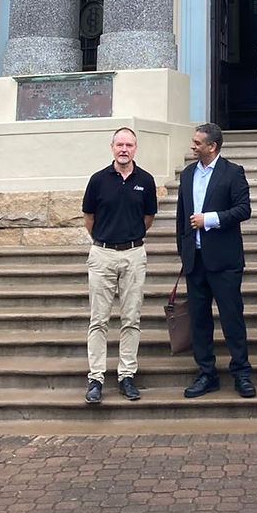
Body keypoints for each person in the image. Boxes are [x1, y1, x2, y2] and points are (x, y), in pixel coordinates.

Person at [175, 122, 255, 399]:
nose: (192, 146)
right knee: (199, 320)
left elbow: (244, 209)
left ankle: (241, 373)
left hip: (224, 261)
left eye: (197, 143)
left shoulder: (232, 173)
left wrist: (210, 219)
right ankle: (206, 373)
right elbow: (181, 217)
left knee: (232, 319)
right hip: (195, 261)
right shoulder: (187, 175)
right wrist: (183, 252)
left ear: (212, 146)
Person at [81, 126, 158, 405]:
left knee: (131, 318)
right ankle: (96, 378)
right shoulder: (98, 180)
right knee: (98, 319)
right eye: (119, 145)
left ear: (135, 148)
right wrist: (104, 241)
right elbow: (89, 217)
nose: (124, 149)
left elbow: (148, 217)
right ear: (112, 147)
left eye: (129, 145)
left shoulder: (146, 181)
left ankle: (127, 375)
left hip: (134, 254)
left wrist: (130, 239)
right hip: (102, 254)